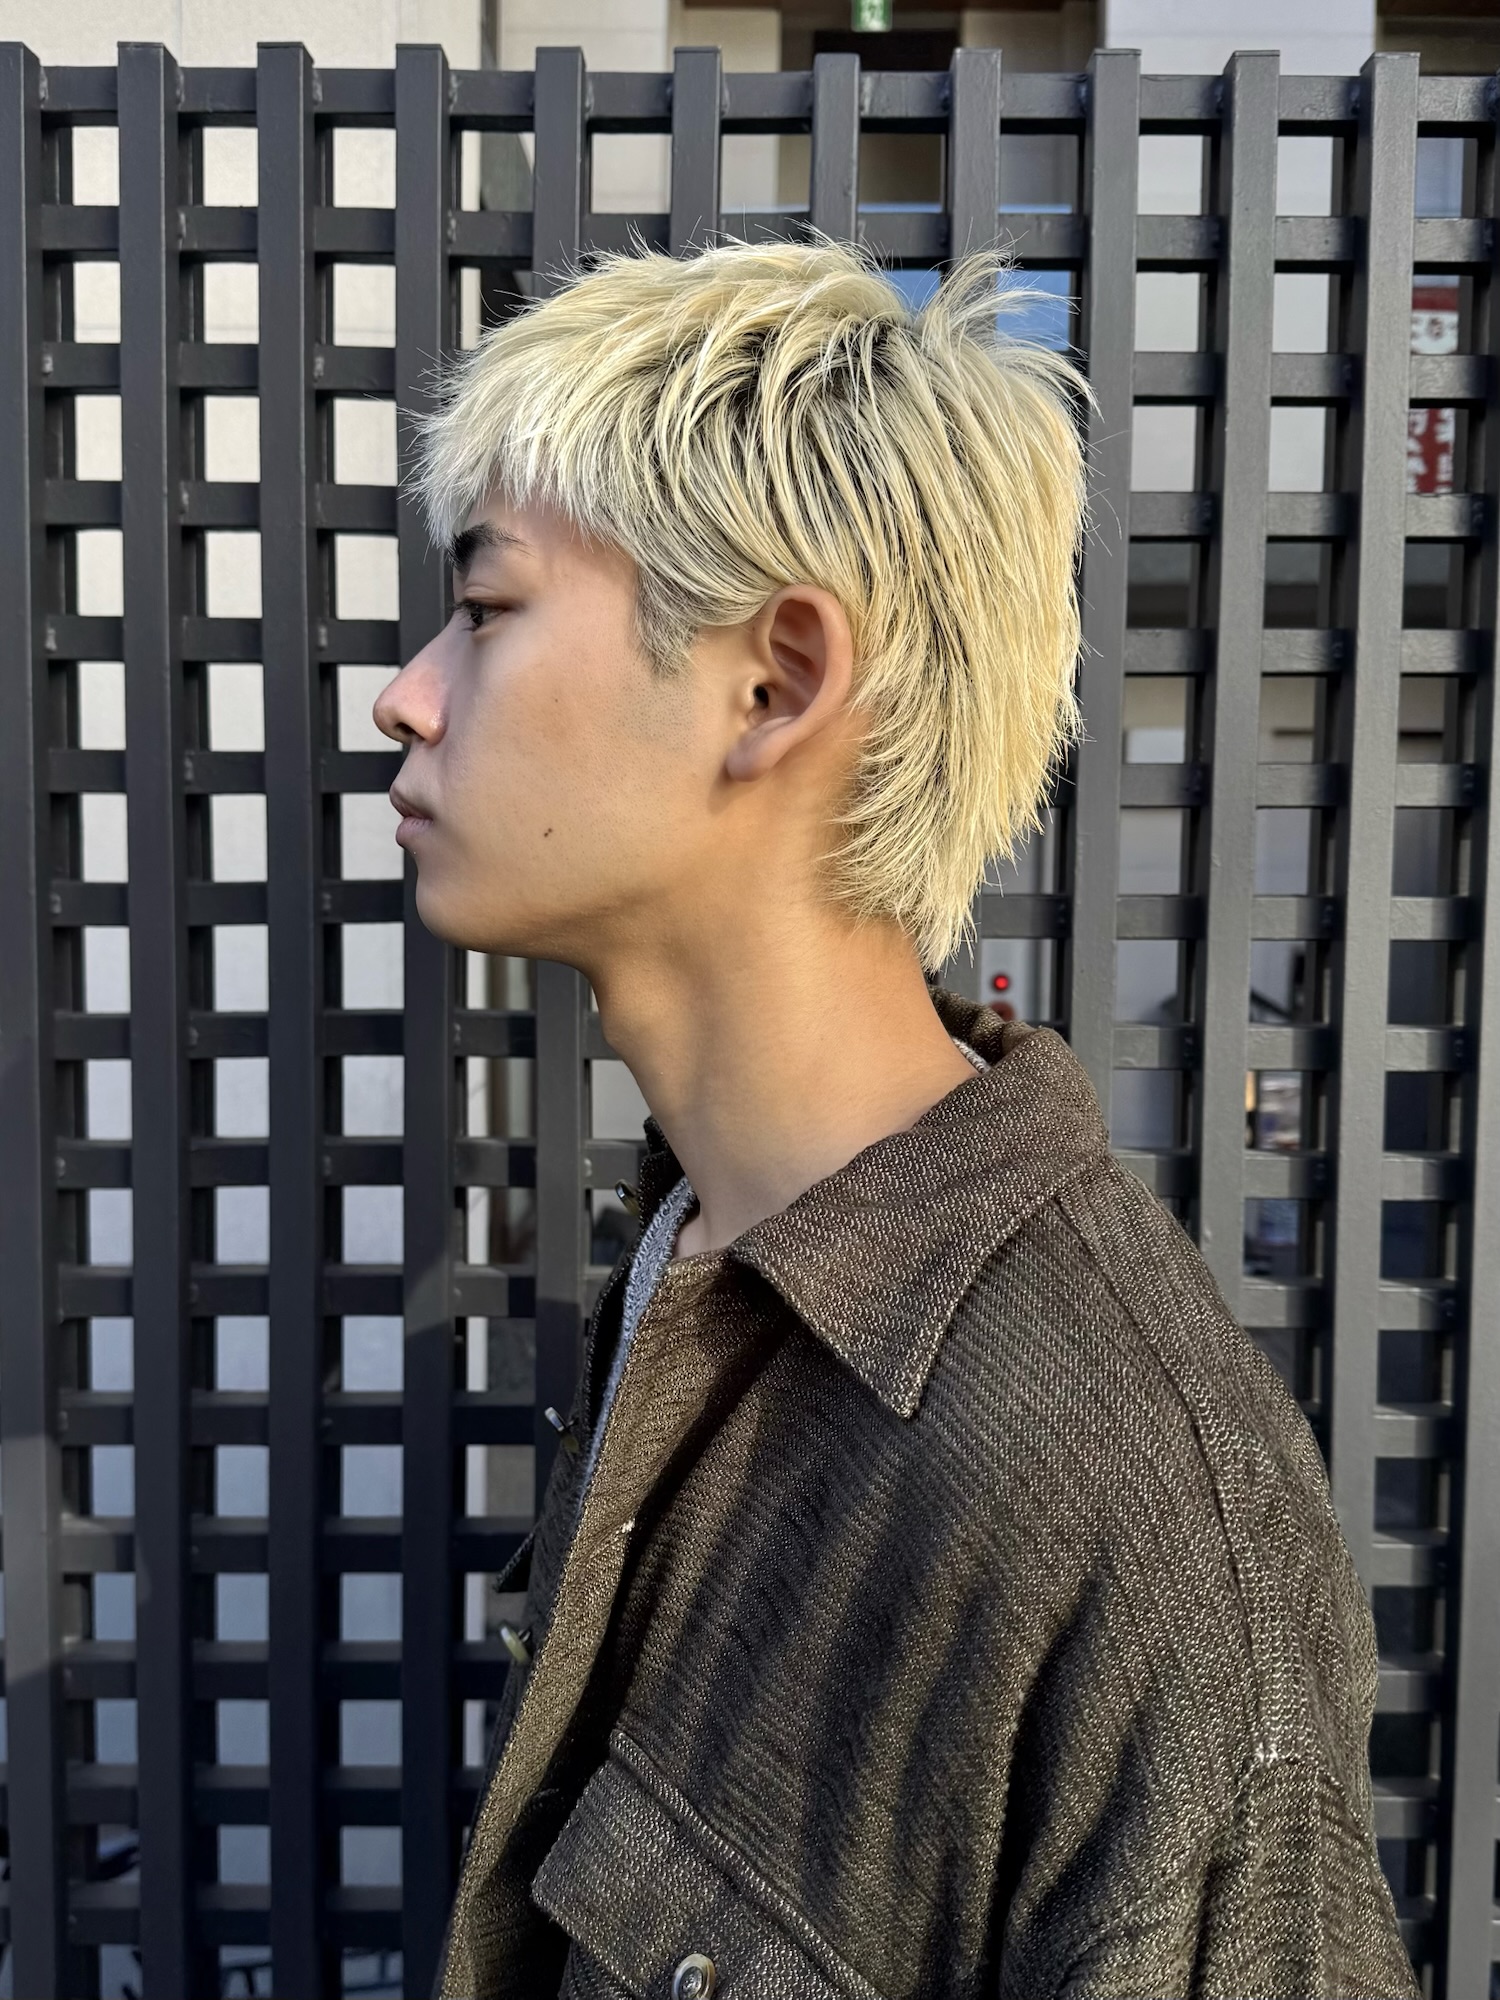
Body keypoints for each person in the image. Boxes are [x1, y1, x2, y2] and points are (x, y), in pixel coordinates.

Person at [373, 230, 1419, 2000]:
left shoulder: (1144, 1524)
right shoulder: (706, 1255)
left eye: (486, 610)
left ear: (775, 682)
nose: (405, 692)